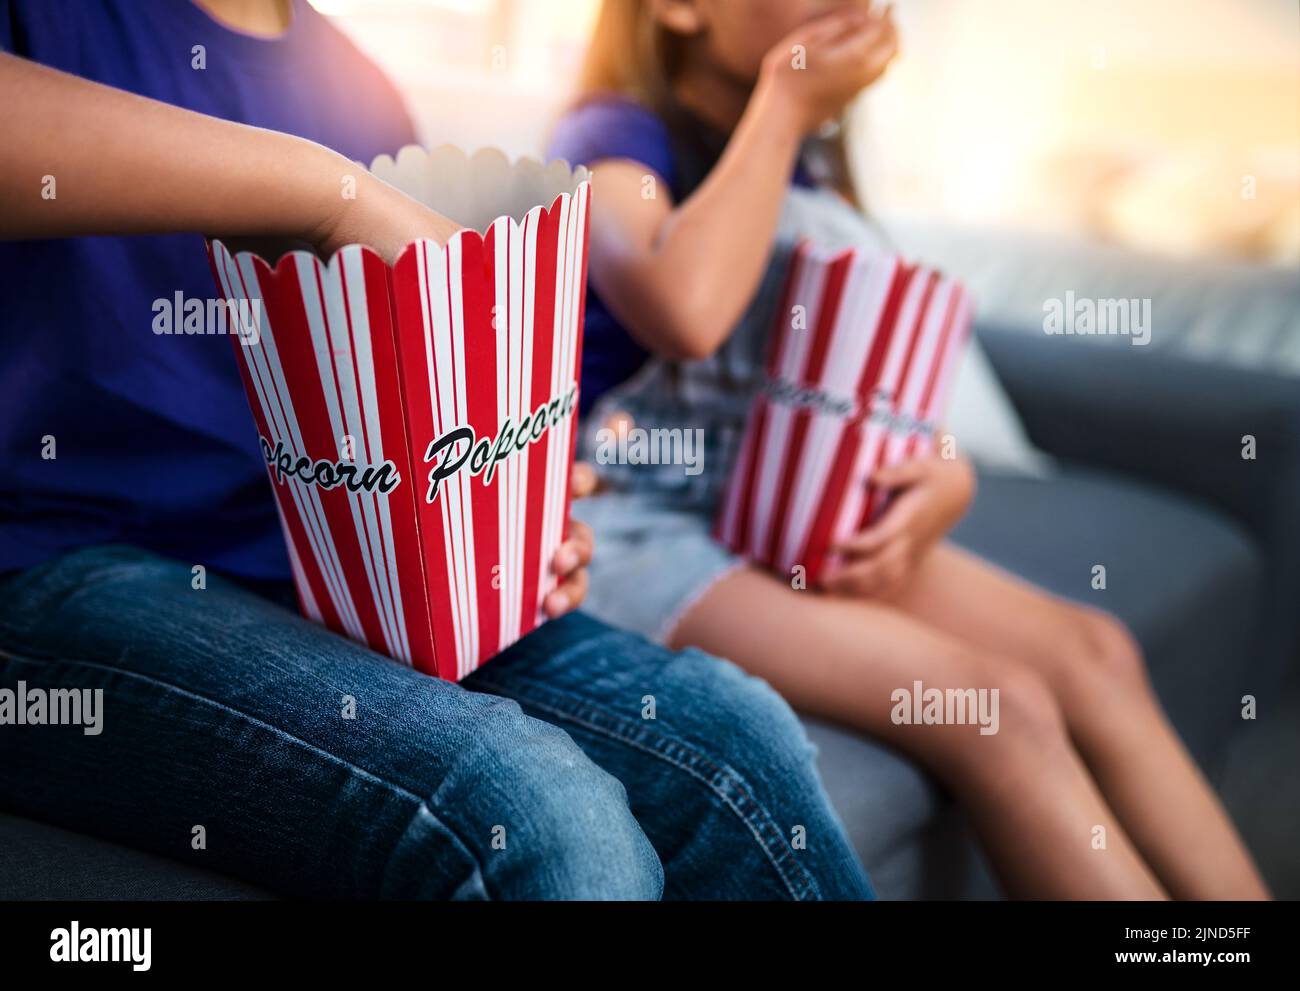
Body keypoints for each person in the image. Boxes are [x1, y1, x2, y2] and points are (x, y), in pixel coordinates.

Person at [0, 0, 873, 901]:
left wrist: (512, 513)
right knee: (539, 814)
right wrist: (320, 191)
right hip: (48, 554)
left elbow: (411, 399)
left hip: (311, 559)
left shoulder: (358, 90)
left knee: (739, 736)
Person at [549, 0, 1269, 899]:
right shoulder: (614, 133)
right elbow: (684, 310)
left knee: (1095, 650)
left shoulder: (812, 173)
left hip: (773, 499)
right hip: (635, 520)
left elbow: (858, 378)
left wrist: (946, 472)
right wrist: (786, 107)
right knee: (995, 707)